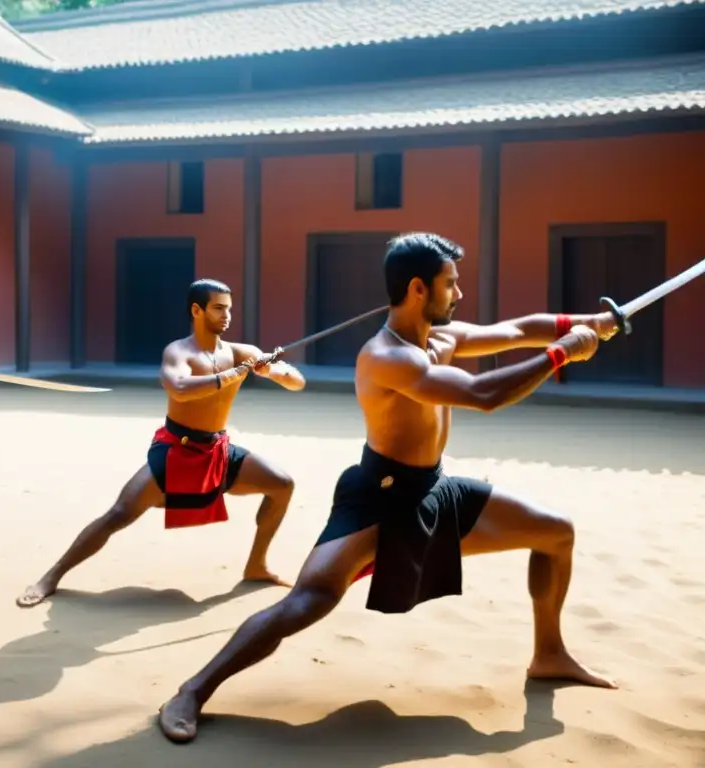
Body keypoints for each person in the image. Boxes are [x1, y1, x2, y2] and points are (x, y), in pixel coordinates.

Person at [158, 232, 620, 744]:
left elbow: (514, 330)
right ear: (419, 288)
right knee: (307, 601)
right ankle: (193, 690)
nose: (459, 295)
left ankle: (548, 653)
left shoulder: (442, 339)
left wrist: (587, 323)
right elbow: (483, 394)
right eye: (452, 284)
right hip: (379, 497)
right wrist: (561, 356)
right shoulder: (385, 356)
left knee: (555, 533)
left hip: (433, 488)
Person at [16, 278, 307, 608]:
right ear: (196, 310)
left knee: (282, 484)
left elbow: (298, 382)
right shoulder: (179, 351)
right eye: (218, 308)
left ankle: (257, 565)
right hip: (177, 447)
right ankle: (51, 576)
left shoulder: (242, 352)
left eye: (229, 308)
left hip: (216, 448)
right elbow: (179, 387)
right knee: (120, 514)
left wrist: (279, 372)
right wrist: (227, 375)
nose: (226, 316)